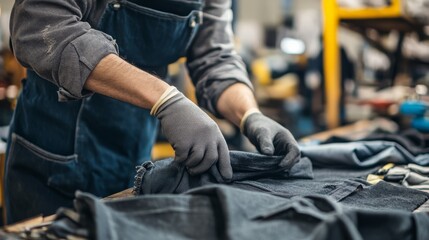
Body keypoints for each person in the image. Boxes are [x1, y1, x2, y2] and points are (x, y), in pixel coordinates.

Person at [4, 0, 300, 224]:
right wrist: (165, 99)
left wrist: (249, 114)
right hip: (51, 157)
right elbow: (42, 25)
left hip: (133, 155)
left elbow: (214, 56)